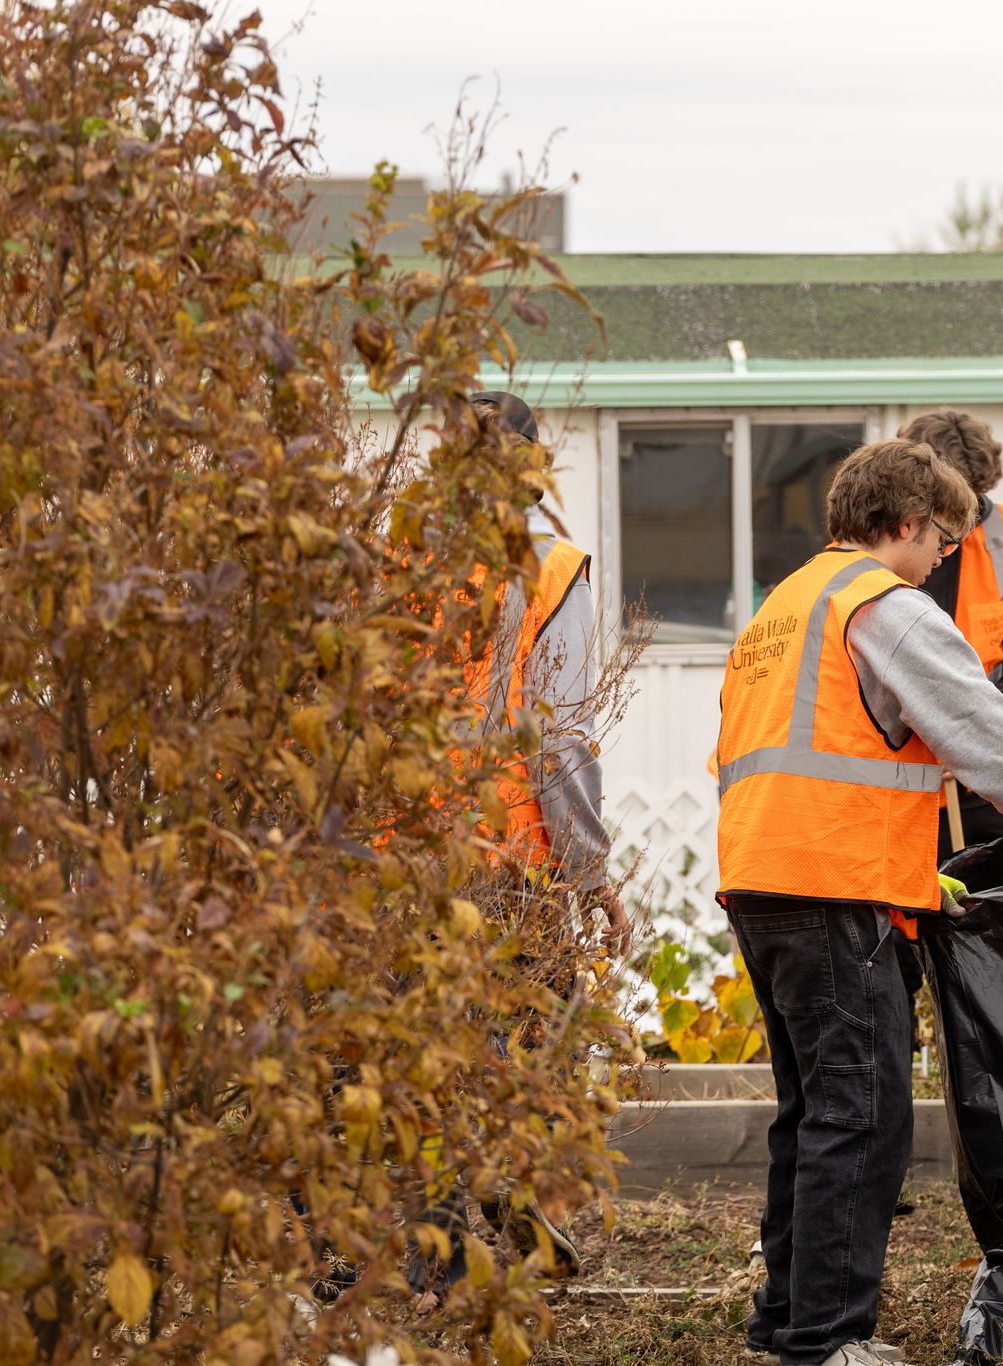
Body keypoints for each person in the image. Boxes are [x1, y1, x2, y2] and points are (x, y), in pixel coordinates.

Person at [716, 438, 1003, 1366]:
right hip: (833, 889)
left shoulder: (785, 606)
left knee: (812, 1111)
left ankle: (786, 1324)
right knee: (862, 1114)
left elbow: (826, 754)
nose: (944, 561)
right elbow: (988, 739)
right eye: (940, 543)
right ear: (905, 525)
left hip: (765, 879)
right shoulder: (884, 607)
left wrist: (919, 869)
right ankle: (829, 1343)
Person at [407, 391, 623, 1299]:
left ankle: (438, 1250)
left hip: (401, 850)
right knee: (536, 1035)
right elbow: (559, 735)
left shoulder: (398, 555)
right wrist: (593, 873)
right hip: (504, 857)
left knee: (422, 1051)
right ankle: (518, 1210)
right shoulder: (548, 565)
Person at [897, 409, 1003, 873]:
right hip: (914, 780)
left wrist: (976, 745)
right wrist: (943, 746)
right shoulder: (891, 545)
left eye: (975, 499)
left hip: (1000, 769)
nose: (965, 518)